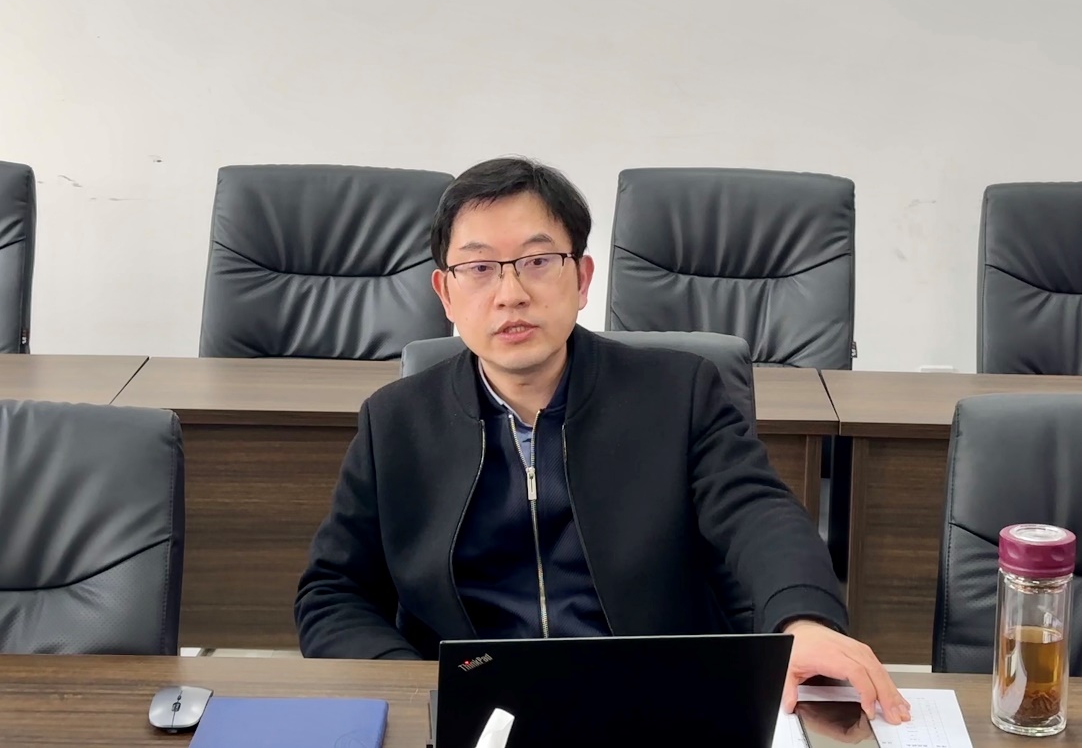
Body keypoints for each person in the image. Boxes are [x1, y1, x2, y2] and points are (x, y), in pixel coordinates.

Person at [295, 157, 911, 725]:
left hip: (656, 700)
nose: (511, 294)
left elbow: (758, 513)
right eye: (479, 268)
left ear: (583, 278)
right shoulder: (395, 422)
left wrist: (802, 619)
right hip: (480, 711)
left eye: (538, 261)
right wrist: (421, 689)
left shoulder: (678, 393)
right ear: (446, 294)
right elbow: (333, 592)